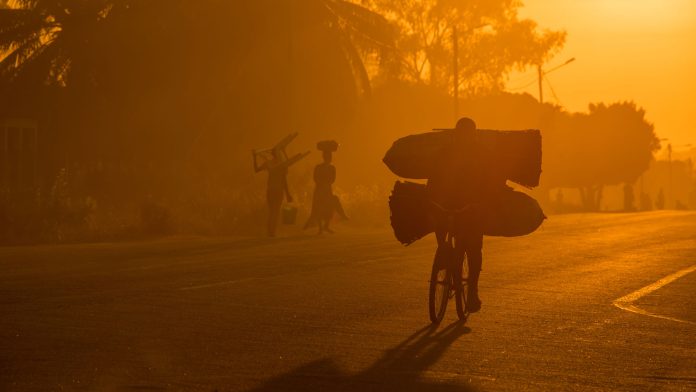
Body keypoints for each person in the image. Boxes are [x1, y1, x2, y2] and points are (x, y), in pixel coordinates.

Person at [425, 117, 507, 313]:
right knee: (440, 225)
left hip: (473, 207)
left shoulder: (483, 155)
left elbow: (492, 181)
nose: (463, 138)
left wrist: (484, 202)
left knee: (473, 248)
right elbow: (434, 178)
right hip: (449, 204)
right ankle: (444, 249)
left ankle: (472, 290)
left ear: (472, 135)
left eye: (466, 134)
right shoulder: (446, 153)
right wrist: (431, 198)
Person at [304, 140, 347, 234]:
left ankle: (325, 226)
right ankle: (321, 228)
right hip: (321, 189)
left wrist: (324, 183)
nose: (328, 158)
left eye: (329, 156)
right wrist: (324, 183)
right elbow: (316, 178)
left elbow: (332, 179)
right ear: (324, 157)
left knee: (328, 208)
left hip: (326, 189)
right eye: (327, 156)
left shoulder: (330, 167)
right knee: (319, 207)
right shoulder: (320, 167)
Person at [254, 149, 294, 237]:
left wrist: (254, 157)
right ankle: (272, 232)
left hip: (270, 190)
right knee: (275, 212)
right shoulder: (282, 165)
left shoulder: (269, 164)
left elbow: (256, 170)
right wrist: (288, 195)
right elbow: (284, 181)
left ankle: (270, 231)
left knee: (272, 211)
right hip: (278, 191)